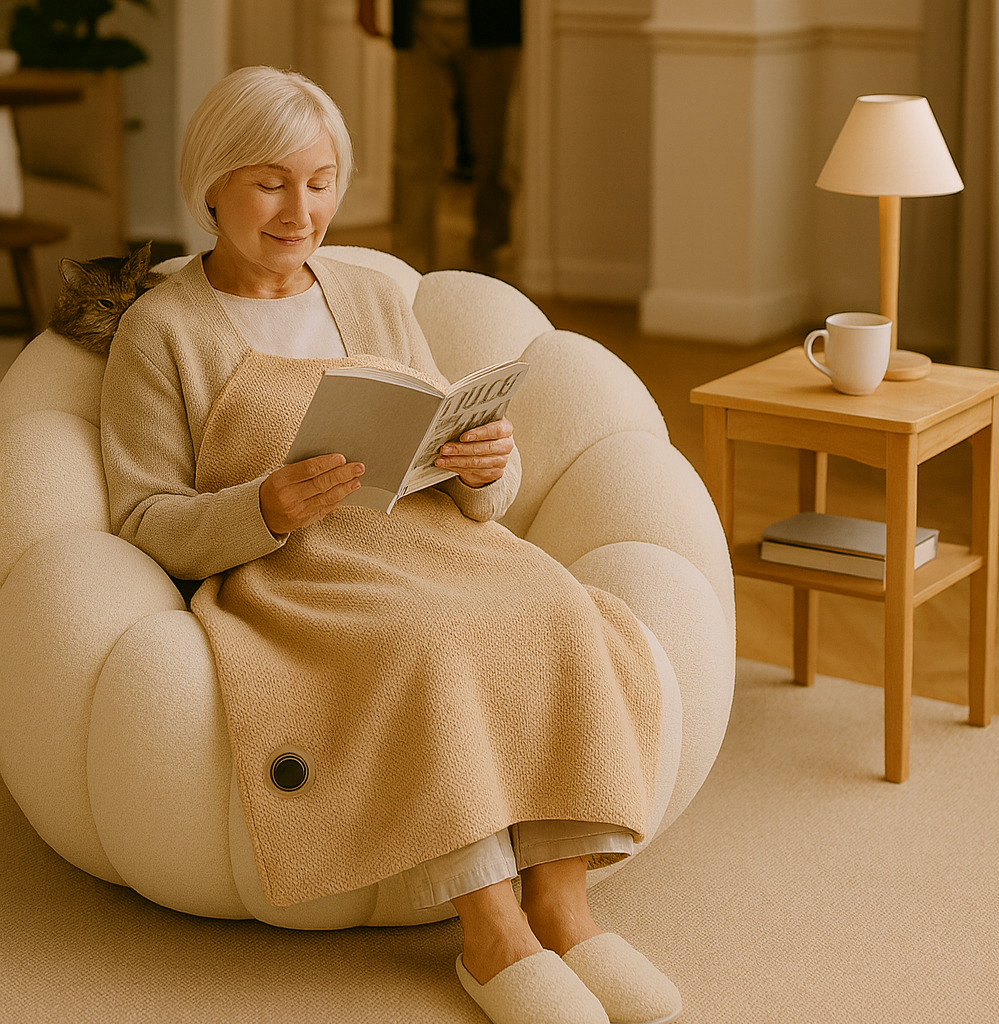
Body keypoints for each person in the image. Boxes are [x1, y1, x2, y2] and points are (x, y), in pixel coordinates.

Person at [100, 66, 682, 1024]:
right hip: (301, 570)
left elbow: (458, 465)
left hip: (435, 539)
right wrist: (267, 505)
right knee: (430, 640)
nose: (302, 209)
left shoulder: (370, 295)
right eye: (271, 181)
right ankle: (492, 934)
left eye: (321, 180)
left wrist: (486, 461)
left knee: (561, 607)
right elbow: (140, 519)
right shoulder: (161, 332)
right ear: (211, 184)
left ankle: (567, 912)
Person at [357, 0, 520, 274]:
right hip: (417, 23)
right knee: (413, 152)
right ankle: (408, 269)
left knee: (493, 151)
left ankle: (489, 258)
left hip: (493, 25)